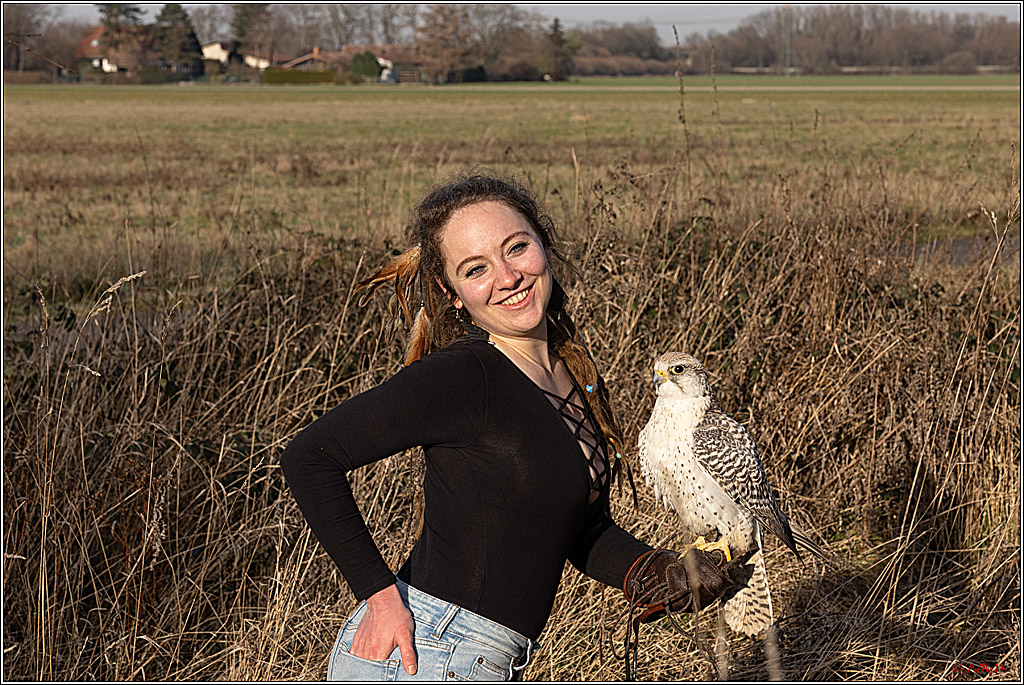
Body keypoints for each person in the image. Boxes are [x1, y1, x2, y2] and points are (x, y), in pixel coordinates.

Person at [280, 171, 747, 681]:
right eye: (476, 268)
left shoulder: (572, 374)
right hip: (424, 651)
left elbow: (573, 527)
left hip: (478, 656)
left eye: (516, 248)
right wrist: (379, 594)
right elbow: (310, 457)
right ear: (452, 292)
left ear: (544, 246)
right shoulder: (464, 375)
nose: (507, 277)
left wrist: (650, 571)